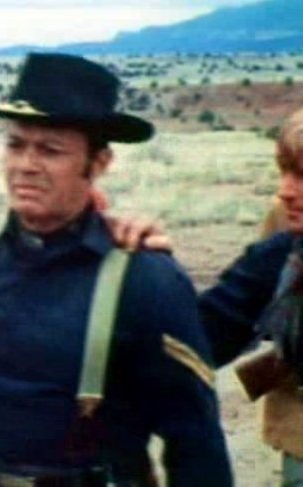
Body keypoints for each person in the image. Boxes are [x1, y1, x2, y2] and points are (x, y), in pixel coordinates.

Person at [0, 53, 232, 487]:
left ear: (99, 163)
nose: (26, 165)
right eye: (15, 145)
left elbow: (195, 441)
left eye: (50, 150)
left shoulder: (146, 280)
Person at [199, 108, 303, 486]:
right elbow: (211, 328)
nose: (285, 190)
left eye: (302, 175)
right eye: (284, 171)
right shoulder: (286, 238)